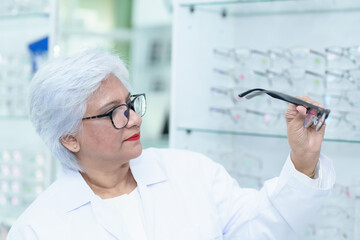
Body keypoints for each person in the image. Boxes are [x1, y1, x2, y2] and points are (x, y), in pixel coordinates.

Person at [7, 49, 335, 240]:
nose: (134, 118)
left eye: (130, 103)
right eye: (113, 113)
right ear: (69, 138)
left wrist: (303, 159)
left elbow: (264, 226)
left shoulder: (190, 172)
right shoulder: (38, 228)